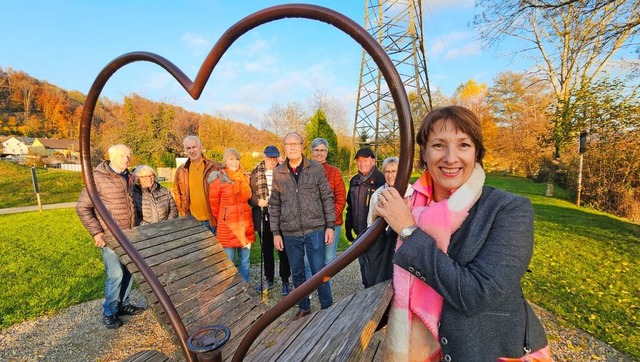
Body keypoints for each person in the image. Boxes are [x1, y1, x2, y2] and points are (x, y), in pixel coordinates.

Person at [375, 106, 549, 361]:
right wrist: (380, 228)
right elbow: (381, 279)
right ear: (424, 152)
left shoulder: (509, 209)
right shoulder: (407, 205)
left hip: (493, 353)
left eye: (464, 145)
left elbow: (476, 294)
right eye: (438, 145)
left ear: (477, 153)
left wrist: (408, 231)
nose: (451, 158)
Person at [76, 144, 144, 329]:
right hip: (111, 236)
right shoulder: (98, 178)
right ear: (111, 156)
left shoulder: (129, 177)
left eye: (129, 155)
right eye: (122, 155)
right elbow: (83, 207)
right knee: (115, 275)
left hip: (131, 235)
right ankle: (110, 311)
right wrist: (97, 232)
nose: (127, 159)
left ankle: (122, 304)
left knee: (130, 271)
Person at [269, 132, 335, 319]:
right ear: (284, 147)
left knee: (319, 270)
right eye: (287, 144)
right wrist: (276, 232)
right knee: (297, 272)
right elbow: (275, 204)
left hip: (314, 229)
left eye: (295, 144)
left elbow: (327, 197)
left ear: (302, 146)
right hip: (290, 232)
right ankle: (304, 306)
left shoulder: (315, 168)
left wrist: (330, 225)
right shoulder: (278, 172)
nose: (291, 147)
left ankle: (327, 307)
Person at [363, 156, 413, 286]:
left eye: (394, 171)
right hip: (385, 244)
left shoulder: (413, 193)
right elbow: (371, 224)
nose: (390, 175)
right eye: (387, 172)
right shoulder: (377, 195)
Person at [249, 145, 292, 296]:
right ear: (264, 156)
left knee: (283, 249)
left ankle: (285, 280)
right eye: (269, 158)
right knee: (267, 249)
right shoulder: (255, 173)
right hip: (263, 215)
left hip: (281, 215)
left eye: (275, 158)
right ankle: (269, 278)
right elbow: (250, 196)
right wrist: (258, 202)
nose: (272, 161)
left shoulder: (284, 171)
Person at [208, 148, 255, 282]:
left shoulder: (245, 178)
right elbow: (214, 206)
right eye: (231, 159)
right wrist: (225, 218)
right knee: (229, 262)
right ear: (225, 161)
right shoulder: (218, 180)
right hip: (227, 228)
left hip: (245, 226)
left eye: (237, 159)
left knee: (245, 261)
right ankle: (231, 290)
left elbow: (249, 199)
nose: (234, 162)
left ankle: (245, 287)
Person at [304, 138, 346, 283]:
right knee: (308, 260)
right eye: (316, 150)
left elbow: (341, 198)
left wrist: (330, 219)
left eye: (322, 150)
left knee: (328, 260)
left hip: (332, 223)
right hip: (310, 224)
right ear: (312, 152)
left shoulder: (334, 172)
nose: (319, 153)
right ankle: (307, 290)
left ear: (326, 153)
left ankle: (325, 290)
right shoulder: (304, 171)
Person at [345, 147, 385, 288]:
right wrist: (348, 226)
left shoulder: (381, 180)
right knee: (363, 264)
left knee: (374, 268)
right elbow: (350, 205)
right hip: (359, 232)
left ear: (373, 161)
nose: (362, 164)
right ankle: (366, 290)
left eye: (365, 160)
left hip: (376, 234)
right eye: (359, 161)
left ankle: (376, 294)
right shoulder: (354, 181)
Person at [173, 135, 221, 234]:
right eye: (188, 148)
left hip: (214, 220)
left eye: (194, 147)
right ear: (185, 150)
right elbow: (176, 192)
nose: (192, 151)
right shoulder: (181, 171)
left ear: (200, 147)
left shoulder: (215, 167)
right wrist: (183, 212)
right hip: (193, 221)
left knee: (217, 249)